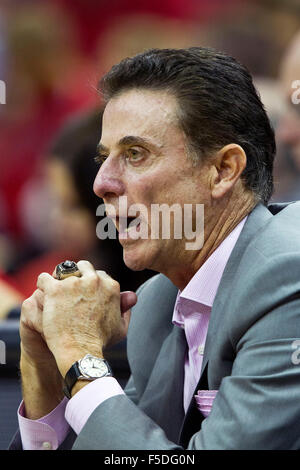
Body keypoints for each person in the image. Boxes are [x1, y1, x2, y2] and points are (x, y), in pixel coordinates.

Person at [10, 47, 300, 450]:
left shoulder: (288, 277)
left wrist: (79, 357)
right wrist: (44, 369)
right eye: (103, 158)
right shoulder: (158, 302)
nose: (101, 183)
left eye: (135, 154)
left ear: (223, 170)